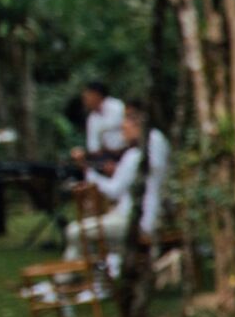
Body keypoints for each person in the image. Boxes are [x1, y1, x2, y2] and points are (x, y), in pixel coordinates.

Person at [65, 104, 170, 263]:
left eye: (124, 129)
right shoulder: (158, 141)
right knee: (85, 239)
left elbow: (113, 190)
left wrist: (88, 171)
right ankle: (66, 279)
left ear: (137, 127)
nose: (122, 135)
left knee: (74, 231)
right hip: (152, 215)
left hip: (135, 220)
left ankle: (70, 280)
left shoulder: (134, 155)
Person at [81, 81, 127, 173]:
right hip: (106, 157)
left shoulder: (117, 107)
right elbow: (93, 147)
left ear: (96, 95)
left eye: (87, 97)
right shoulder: (92, 118)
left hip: (126, 152)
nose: (84, 101)